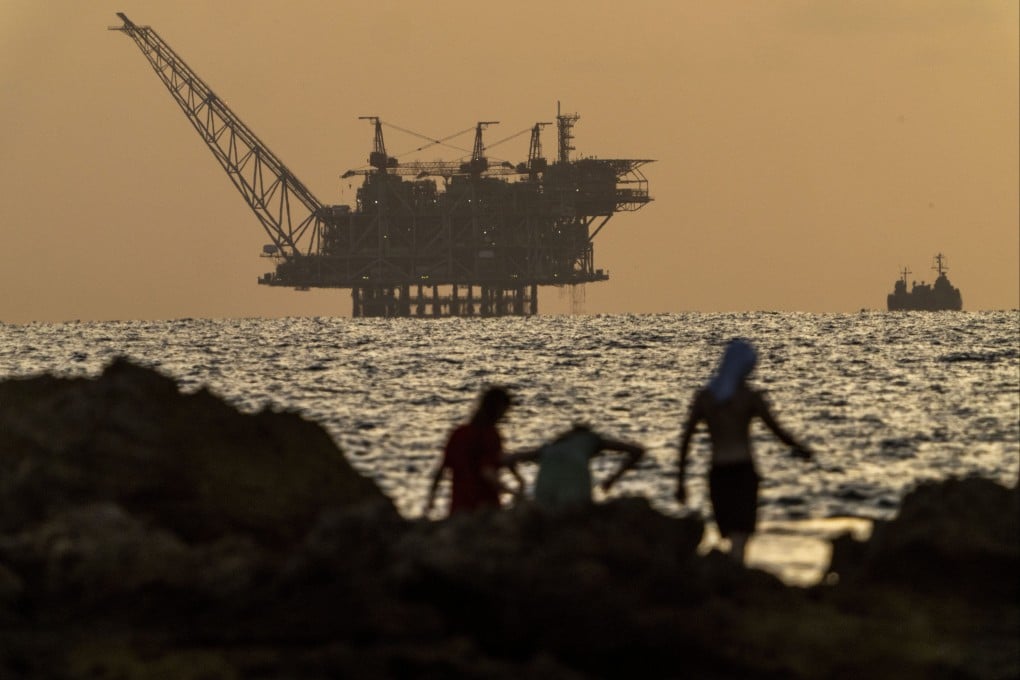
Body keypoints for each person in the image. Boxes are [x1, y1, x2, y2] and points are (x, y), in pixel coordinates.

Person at [676, 338, 813, 563]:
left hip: (718, 471)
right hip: (743, 470)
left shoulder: (705, 398)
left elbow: (686, 440)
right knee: (741, 533)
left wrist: (680, 482)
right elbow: (777, 431)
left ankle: (732, 575)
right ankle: (737, 575)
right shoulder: (750, 398)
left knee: (729, 531)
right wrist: (802, 449)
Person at [423, 386, 518, 517]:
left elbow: (441, 470)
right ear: (498, 409)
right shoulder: (490, 435)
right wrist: (513, 492)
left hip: (459, 509)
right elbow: (487, 471)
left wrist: (430, 501)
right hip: (486, 509)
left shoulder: (458, 433)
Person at [506, 423, 645, 511]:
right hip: (575, 483)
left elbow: (509, 459)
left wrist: (521, 484)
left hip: (544, 487)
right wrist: (613, 479)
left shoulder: (551, 447)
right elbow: (637, 451)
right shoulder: (590, 439)